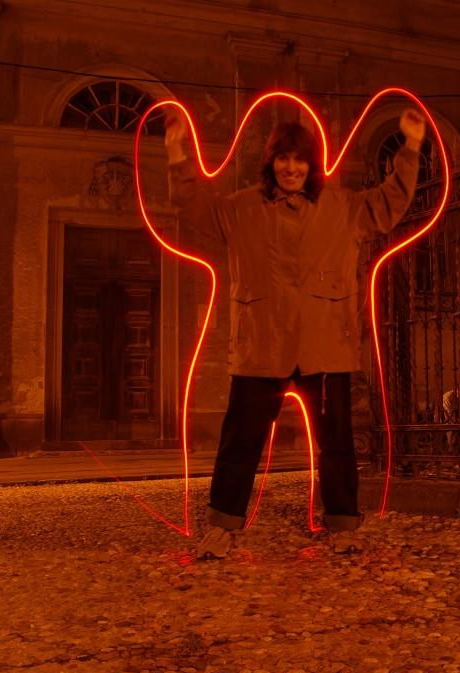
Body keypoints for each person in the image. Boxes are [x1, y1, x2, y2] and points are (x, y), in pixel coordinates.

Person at [166, 106, 425, 559]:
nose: (291, 168)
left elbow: (389, 202)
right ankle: (222, 527)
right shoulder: (242, 207)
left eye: (300, 159)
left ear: (311, 164)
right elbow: (193, 207)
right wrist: (176, 154)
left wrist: (411, 148)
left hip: (324, 345)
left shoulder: (342, 207)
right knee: (240, 442)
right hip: (260, 345)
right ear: (271, 163)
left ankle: (342, 524)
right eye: (283, 159)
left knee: (337, 443)